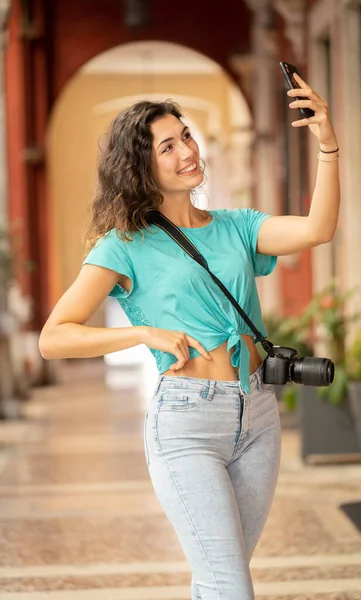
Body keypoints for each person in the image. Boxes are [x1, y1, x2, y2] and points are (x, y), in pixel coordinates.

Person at [39, 72, 340, 600]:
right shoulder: (124, 245)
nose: (187, 151)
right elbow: (54, 336)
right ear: (141, 166)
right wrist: (143, 333)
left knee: (220, 577)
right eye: (168, 145)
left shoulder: (238, 226)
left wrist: (328, 146)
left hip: (258, 416)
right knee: (230, 584)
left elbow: (317, 230)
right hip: (186, 423)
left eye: (187, 135)